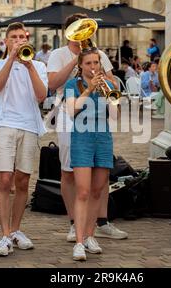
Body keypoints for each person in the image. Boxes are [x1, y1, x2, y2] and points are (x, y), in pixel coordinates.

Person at [47, 13, 127, 244]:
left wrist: (102, 77)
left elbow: (112, 82)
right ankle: (74, 223)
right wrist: (77, 61)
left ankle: (101, 221)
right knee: (69, 171)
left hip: (96, 115)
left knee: (100, 170)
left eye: (86, 29)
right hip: (68, 111)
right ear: (69, 32)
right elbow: (52, 84)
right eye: (78, 30)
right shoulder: (58, 54)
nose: (85, 34)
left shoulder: (99, 54)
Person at [0, 22, 48, 256]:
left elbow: (41, 95)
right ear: (6, 40)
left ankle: (16, 229)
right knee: (4, 179)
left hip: (30, 125)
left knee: (23, 181)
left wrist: (29, 65)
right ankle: (4, 235)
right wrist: (11, 59)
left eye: (21, 37)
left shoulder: (39, 65)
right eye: (13, 37)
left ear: (27, 38)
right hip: (5, 125)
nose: (18, 40)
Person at [64, 47, 119, 260]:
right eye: (88, 63)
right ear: (80, 65)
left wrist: (110, 92)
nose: (93, 67)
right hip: (82, 138)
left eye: (96, 62)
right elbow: (72, 111)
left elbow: (115, 116)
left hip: (103, 137)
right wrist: (88, 90)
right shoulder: (73, 85)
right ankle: (78, 242)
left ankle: (89, 236)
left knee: (97, 190)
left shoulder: (108, 85)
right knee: (83, 191)